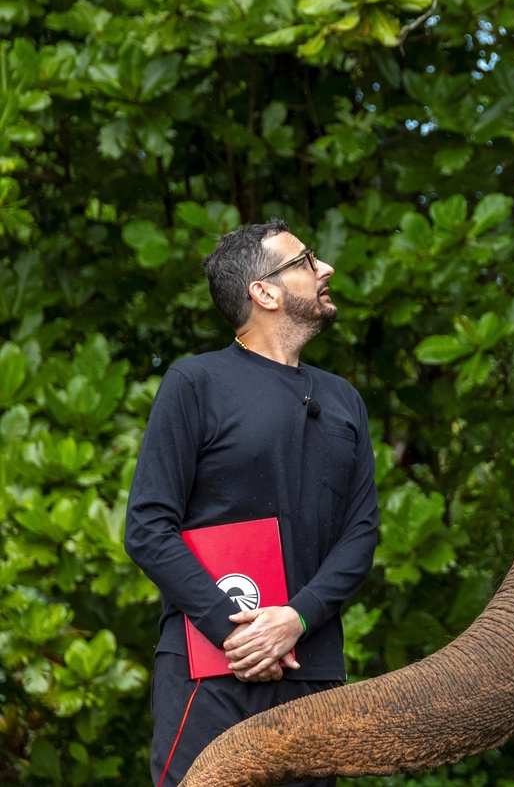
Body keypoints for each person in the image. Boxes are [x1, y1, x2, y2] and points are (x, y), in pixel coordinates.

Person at [125, 219, 379, 786]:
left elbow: (361, 533)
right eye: (307, 260)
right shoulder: (195, 383)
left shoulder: (344, 399)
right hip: (210, 670)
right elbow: (147, 528)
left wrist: (297, 618)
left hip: (311, 670)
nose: (326, 269)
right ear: (264, 292)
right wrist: (236, 632)